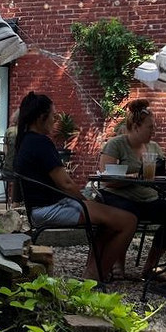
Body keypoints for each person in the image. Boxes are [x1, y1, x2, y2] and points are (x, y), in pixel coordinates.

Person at [13, 92, 136, 283]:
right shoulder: (41, 143)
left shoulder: (25, 141)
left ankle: (92, 273)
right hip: (50, 209)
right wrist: (85, 202)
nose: (55, 121)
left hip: (39, 208)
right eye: (53, 116)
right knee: (129, 222)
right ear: (41, 118)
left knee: (108, 221)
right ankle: (98, 277)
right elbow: (66, 183)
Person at [98, 100, 166, 280]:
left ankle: (150, 266)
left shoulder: (154, 148)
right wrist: (136, 176)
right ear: (136, 127)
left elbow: (161, 177)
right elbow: (106, 180)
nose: (154, 131)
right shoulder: (116, 145)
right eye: (150, 127)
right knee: (129, 214)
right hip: (119, 197)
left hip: (148, 199)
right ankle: (117, 263)